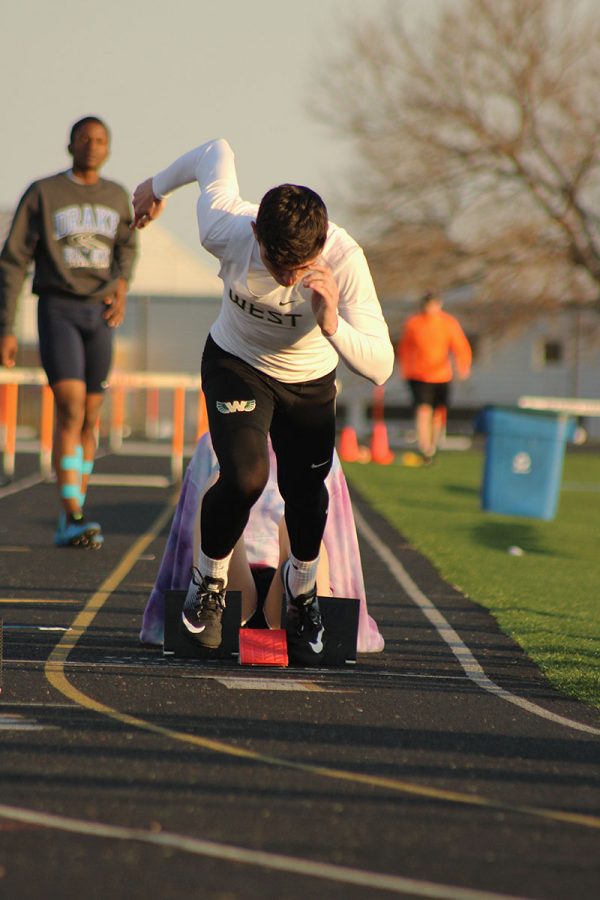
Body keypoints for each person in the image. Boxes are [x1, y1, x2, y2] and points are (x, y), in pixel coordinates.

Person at [132, 137, 393, 661]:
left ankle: (302, 588)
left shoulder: (344, 260)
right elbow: (215, 151)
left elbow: (381, 365)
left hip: (309, 382)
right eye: (279, 265)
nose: (291, 278)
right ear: (257, 235)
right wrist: (154, 187)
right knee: (246, 477)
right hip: (236, 364)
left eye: (302, 266)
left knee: (306, 494)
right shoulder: (227, 227)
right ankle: (208, 584)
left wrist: (331, 323)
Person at [0, 116, 138, 548]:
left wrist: (122, 284)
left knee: (91, 414)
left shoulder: (116, 196)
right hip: (58, 308)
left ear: (108, 148)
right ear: (70, 145)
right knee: (71, 406)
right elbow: (13, 260)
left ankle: (73, 510)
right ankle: (71, 512)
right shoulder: (43, 193)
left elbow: (127, 248)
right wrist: (6, 326)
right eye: (85, 139)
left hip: (99, 315)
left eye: (100, 140)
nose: (92, 146)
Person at [139, 433, 385, 656]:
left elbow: (335, 532)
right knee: (217, 495)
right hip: (231, 587)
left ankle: (305, 608)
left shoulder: (319, 446)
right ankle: (206, 601)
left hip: (290, 584)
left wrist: (349, 618)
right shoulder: (214, 441)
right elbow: (189, 526)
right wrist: (170, 610)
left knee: (298, 520)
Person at [397, 291, 472, 465]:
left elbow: (460, 345)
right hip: (419, 374)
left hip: (441, 375)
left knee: (438, 412)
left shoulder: (448, 323)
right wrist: (406, 369)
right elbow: (405, 348)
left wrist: (463, 365)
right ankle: (425, 447)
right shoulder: (414, 323)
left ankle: (433, 443)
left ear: (439, 305)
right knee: (423, 410)